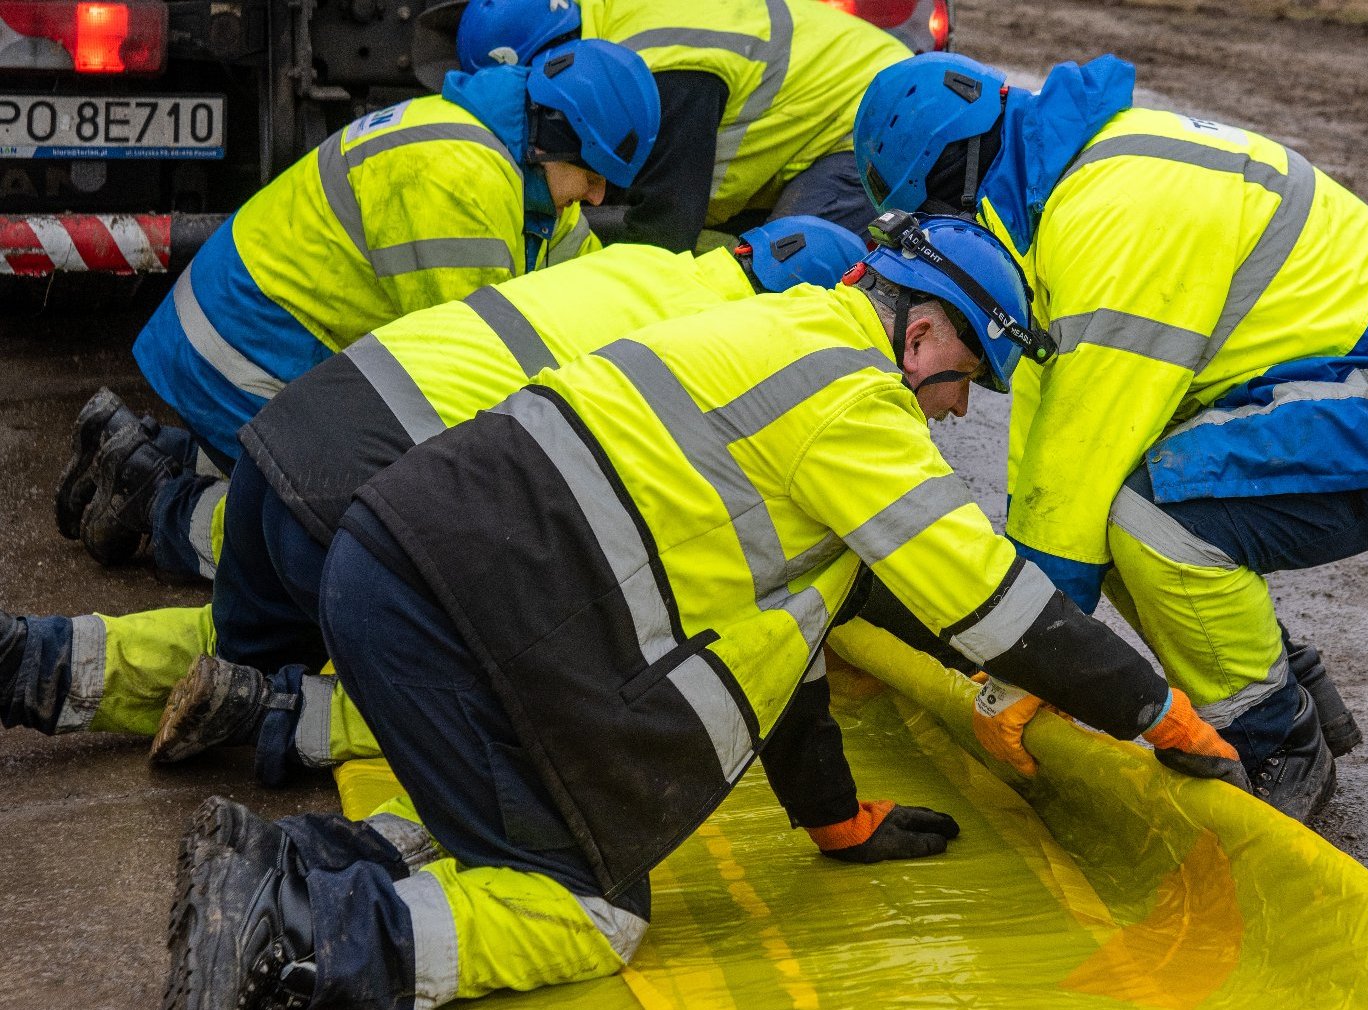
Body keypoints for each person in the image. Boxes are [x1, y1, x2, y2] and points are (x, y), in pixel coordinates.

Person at [165, 212, 1246, 1009]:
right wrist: (1153, 706)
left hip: (390, 566)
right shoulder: (853, 403)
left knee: (514, 826)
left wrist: (832, 816)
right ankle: (290, 938)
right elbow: (989, 605)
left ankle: (275, 867)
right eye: (969, 375)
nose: (961, 406)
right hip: (453, 616)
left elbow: (790, 644)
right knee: (589, 908)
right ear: (921, 335)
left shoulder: (769, 335)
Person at [851, 53, 1368, 821]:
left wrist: (1025, 665)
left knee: (1142, 515)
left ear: (952, 180)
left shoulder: (1108, 215)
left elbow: (1079, 474)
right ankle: (1290, 681)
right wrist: (1026, 621)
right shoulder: (1063, 196)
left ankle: (1276, 741)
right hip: (1364, 388)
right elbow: (1047, 449)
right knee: (1119, 514)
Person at [0, 218, 867, 775]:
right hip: (369, 504)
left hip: (287, 441)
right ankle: (288, 722)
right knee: (542, 693)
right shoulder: (712, 356)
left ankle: (37, 660)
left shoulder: (645, 262)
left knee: (235, 641)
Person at [54, 38, 661, 583]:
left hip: (245, 332)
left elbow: (592, 285)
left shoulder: (516, 172)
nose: (599, 195)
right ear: (554, 136)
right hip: (243, 349)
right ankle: (159, 504)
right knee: (350, 541)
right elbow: (471, 378)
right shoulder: (461, 179)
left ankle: (137, 451)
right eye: (593, 174)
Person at [455, 0, 910, 251]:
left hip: (870, 121)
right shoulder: (610, 25)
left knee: (783, 271)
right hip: (829, 108)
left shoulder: (662, 69)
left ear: (551, 59)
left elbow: (663, 231)